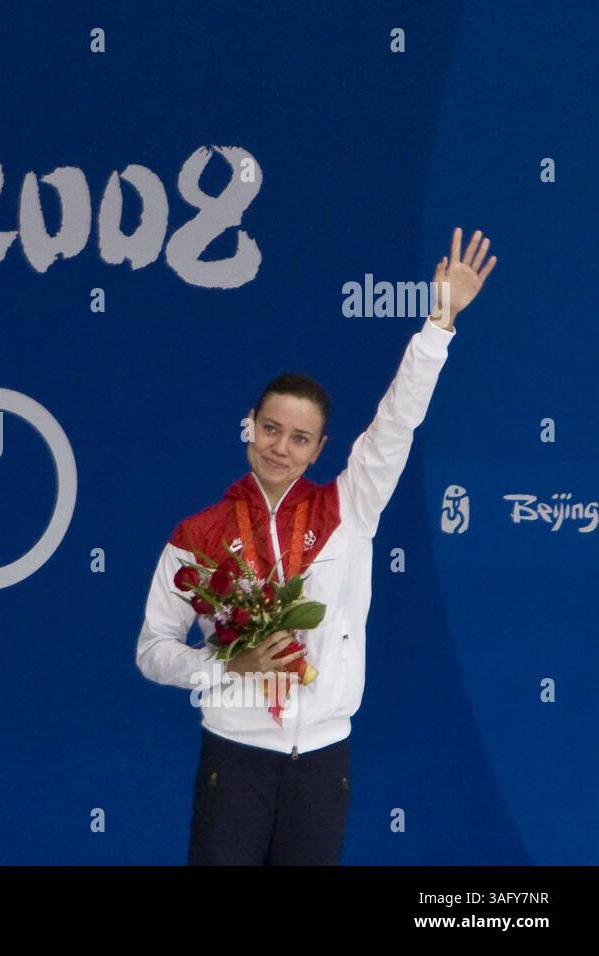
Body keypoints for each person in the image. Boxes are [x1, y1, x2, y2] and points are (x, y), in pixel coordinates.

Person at [136, 227, 497, 864]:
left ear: (320, 449)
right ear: (249, 427)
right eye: (270, 428)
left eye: (299, 438)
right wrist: (222, 669)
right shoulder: (200, 534)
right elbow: (153, 651)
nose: (281, 446)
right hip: (234, 757)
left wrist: (439, 324)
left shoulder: (348, 508)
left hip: (323, 763)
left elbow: (396, 422)